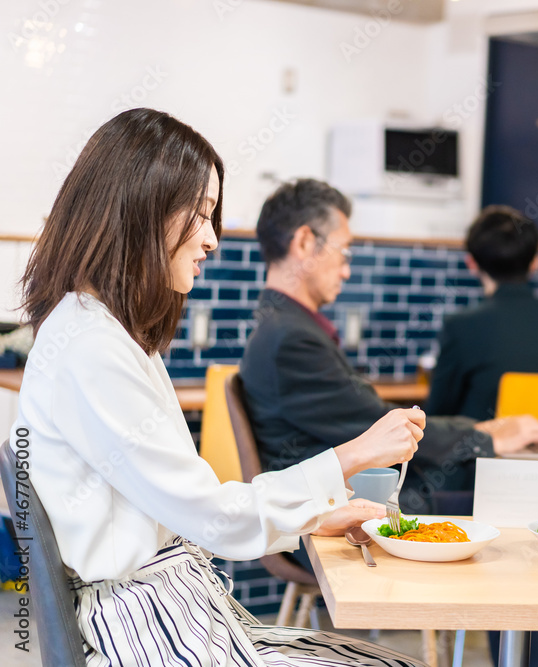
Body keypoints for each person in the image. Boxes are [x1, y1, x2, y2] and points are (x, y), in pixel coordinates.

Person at [11, 108, 429, 666]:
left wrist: (314, 515)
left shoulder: (107, 331)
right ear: (143, 204)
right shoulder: (91, 346)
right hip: (147, 629)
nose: (211, 239)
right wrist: (352, 457)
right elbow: (214, 517)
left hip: (176, 609)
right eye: (201, 215)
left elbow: (184, 511)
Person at [239, 180, 538, 521]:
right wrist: (484, 439)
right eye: (344, 252)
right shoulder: (290, 340)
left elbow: (367, 419)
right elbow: (374, 429)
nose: (346, 270)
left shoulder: (284, 329)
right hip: (342, 509)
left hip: (350, 496)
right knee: (518, 491)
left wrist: (482, 432)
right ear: (304, 242)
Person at [424, 205, 538, 421]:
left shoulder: (461, 326)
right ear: (536, 263)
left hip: (485, 452)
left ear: (471, 263)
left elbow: (436, 417)